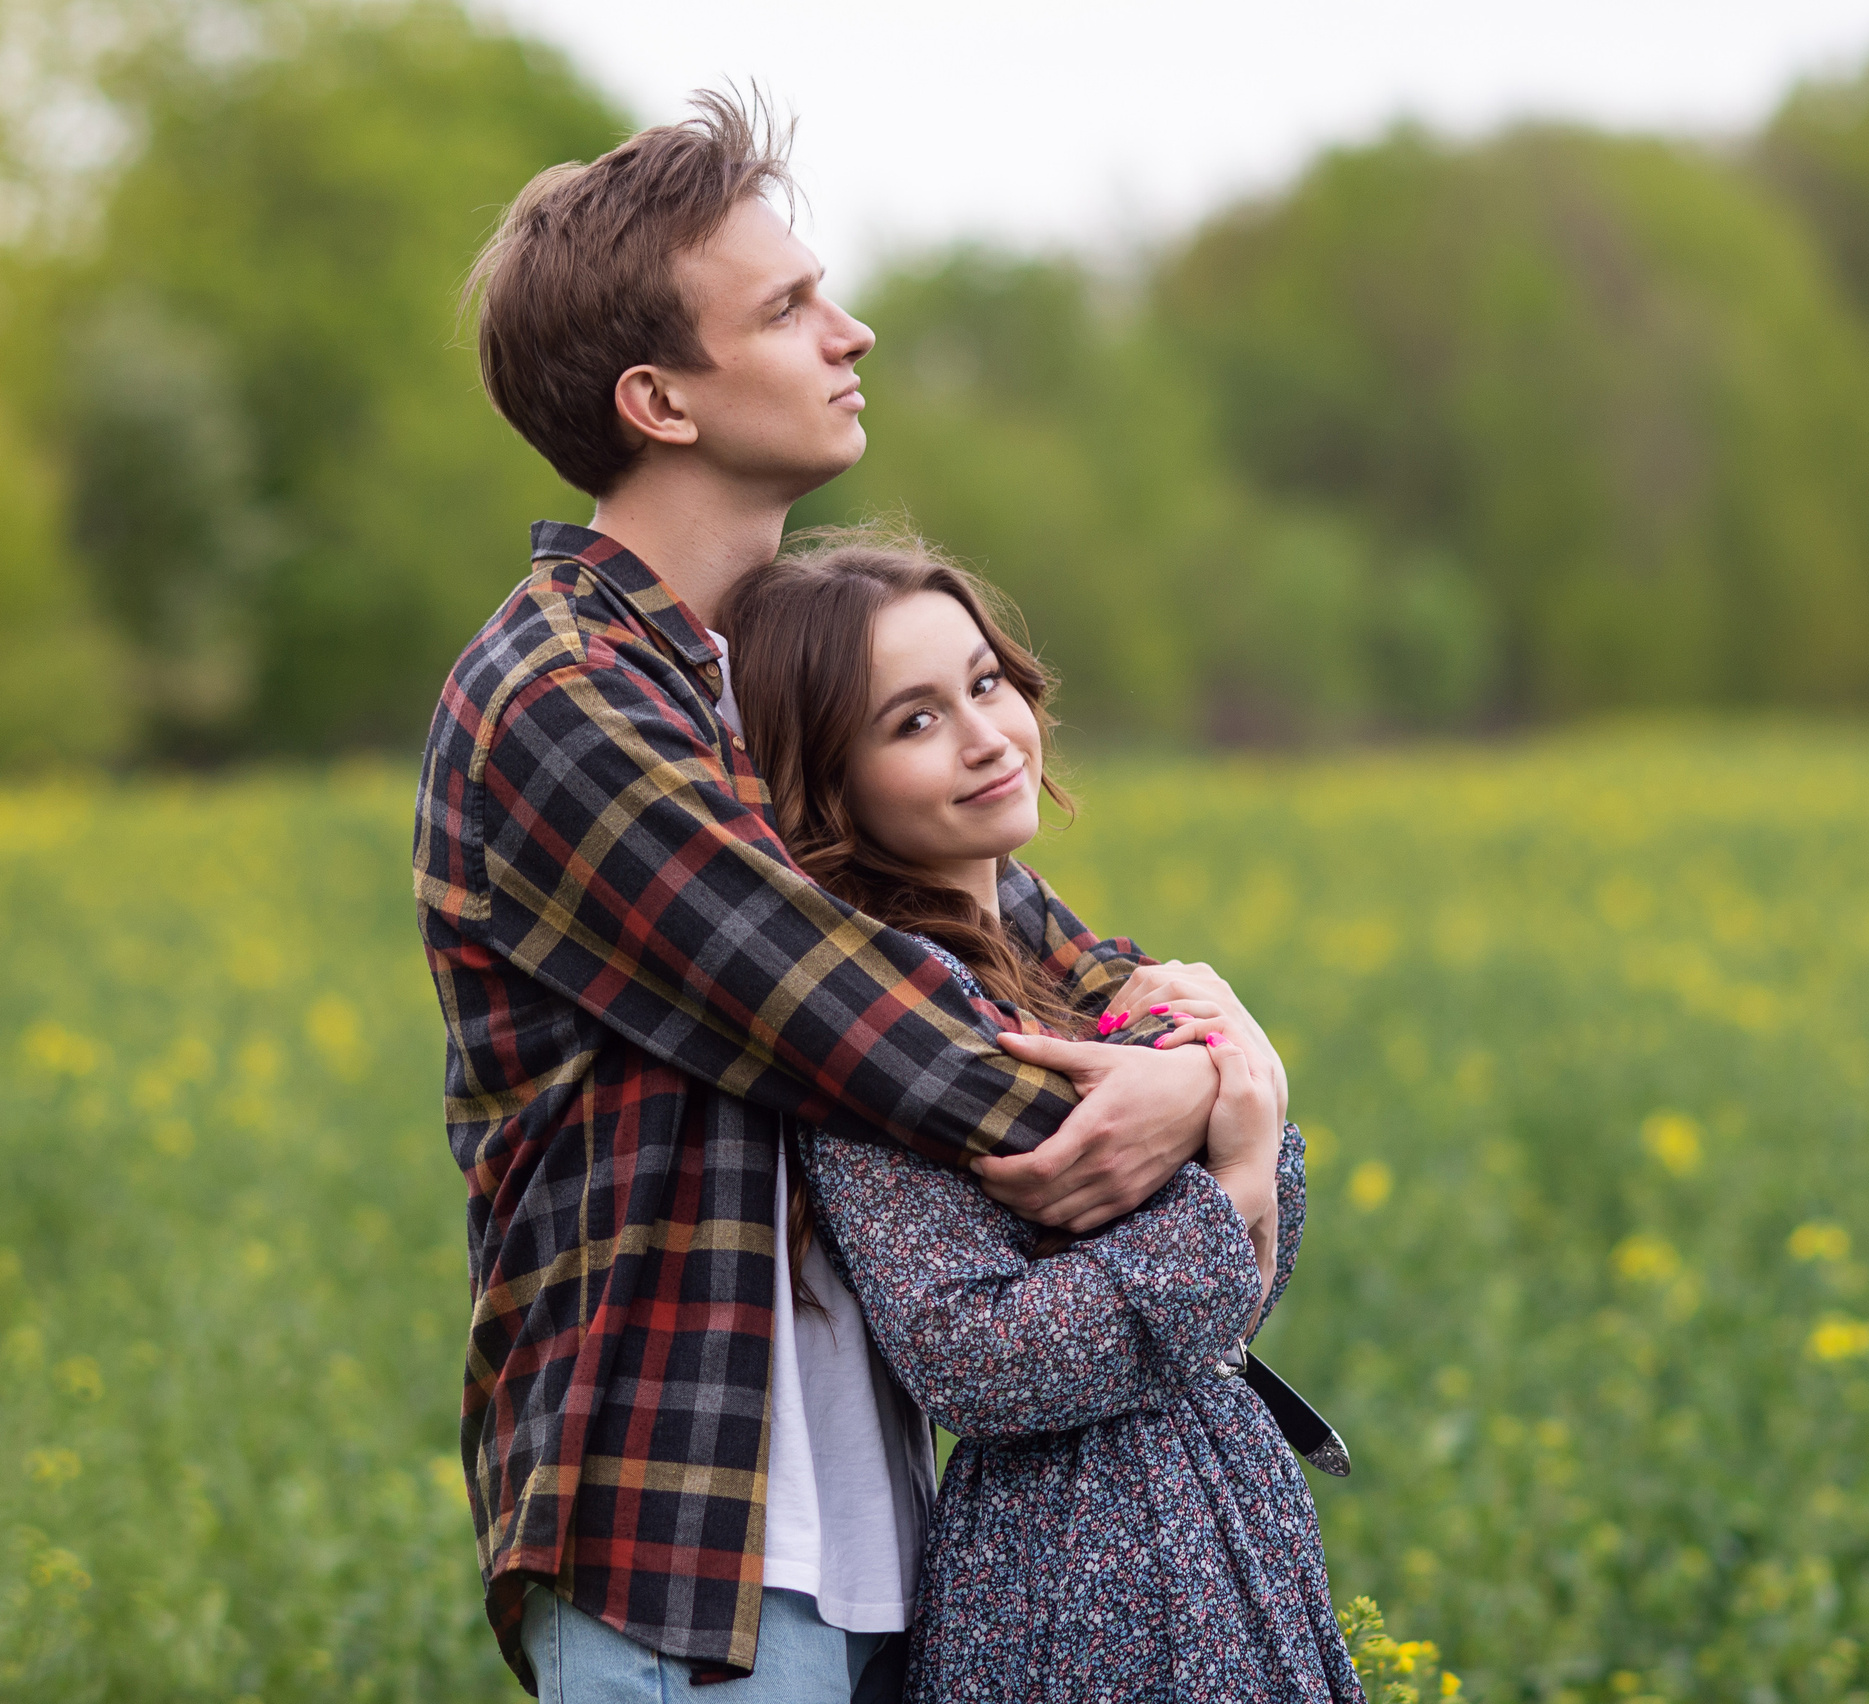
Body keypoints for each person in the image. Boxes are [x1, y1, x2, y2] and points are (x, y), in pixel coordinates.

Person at [418, 94, 1279, 1701]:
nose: (851, 329)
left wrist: (1212, 1062)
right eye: (788, 308)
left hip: (884, 1546)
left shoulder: (775, 681)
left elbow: (1037, 953)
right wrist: (1206, 1106)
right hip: (684, 1569)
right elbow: (871, 1018)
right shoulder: (558, 693)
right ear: (659, 400)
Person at [722, 533, 1362, 1704]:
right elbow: (975, 1362)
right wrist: (1232, 1178)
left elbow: (1232, 1286)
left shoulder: (1064, 972)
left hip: (1211, 1525)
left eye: (984, 683)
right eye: (913, 721)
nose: (984, 735)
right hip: (1072, 1576)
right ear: (830, 781)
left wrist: (1242, 1113)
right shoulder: (879, 1023)